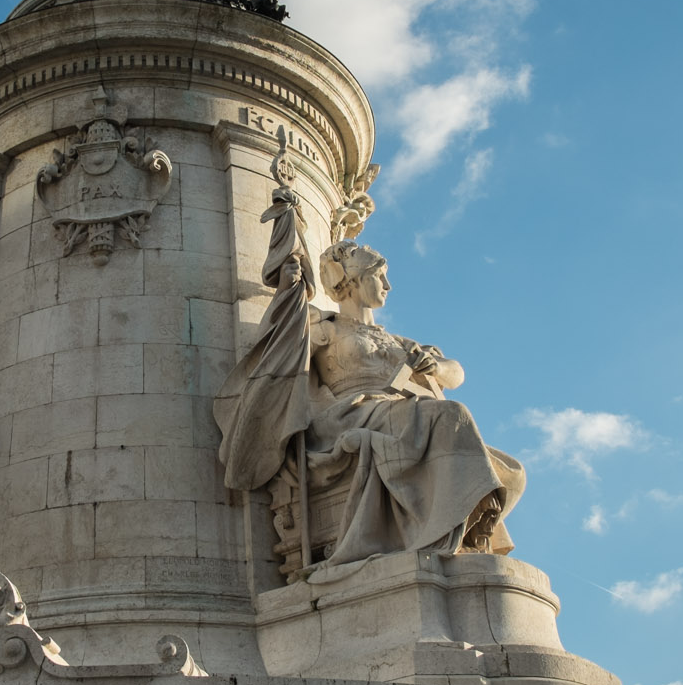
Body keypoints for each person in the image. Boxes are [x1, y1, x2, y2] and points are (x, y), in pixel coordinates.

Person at [218, 240, 524, 578]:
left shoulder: (396, 340)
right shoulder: (325, 327)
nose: (388, 285)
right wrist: (287, 295)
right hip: (347, 414)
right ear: (352, 281)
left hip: (400, 413)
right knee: (450, 416)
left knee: (505, 465)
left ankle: (444, 532)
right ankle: (439, 534)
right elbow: (278, 351)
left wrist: (435, 367)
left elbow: (456, 372)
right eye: (379, 276)